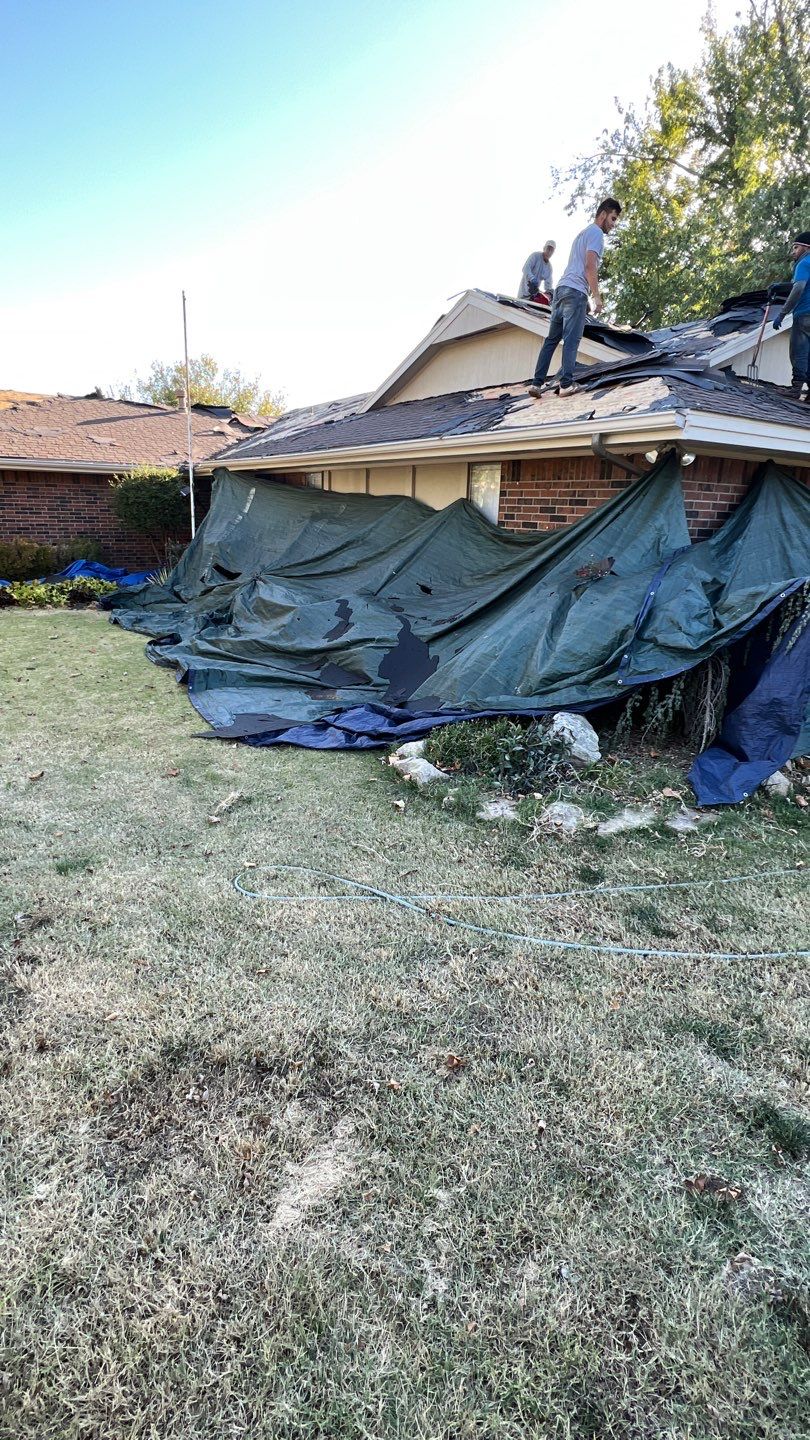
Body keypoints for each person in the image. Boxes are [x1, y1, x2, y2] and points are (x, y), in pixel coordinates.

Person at [527, 198, 622, 398]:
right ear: (603, 214)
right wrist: (596, 297)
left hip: (561, 290)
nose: (613, 224)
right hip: (575, 291)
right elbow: (589, 266)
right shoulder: (596, 233)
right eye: (613, 219)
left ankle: (536, 383)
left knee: (552, 340)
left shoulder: (582, 233)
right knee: (571, 339)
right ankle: (566, 385)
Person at [772, 230, 810, 401]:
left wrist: (782, 313)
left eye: (796, 247)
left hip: (804, 314)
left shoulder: (804, 263)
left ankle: (796, 389)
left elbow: (799, 287)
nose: (793, 252)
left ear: (806, 248)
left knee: (798, 351)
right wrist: (781, 286)